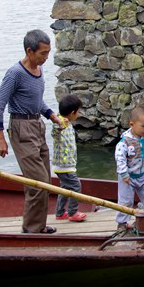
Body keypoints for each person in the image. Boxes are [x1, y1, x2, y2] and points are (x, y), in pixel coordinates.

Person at [0, 29, 66, 234]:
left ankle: (38, 225)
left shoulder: (39, 71)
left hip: (37, 126)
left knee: (45, 180)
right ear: (29, 51)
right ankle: (31, 230)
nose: (46, 57)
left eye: (49, 52)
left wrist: (52, 115)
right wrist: (0, 137)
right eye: (43, 53)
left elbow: (36, 100)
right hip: (21, 128)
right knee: (38, 182)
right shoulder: (15, 73)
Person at [52, 94, 86, 222]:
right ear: (72, 113)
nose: (79, 114)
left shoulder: (68, 123)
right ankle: (73, 212)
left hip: (66, 165)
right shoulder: (59, 124)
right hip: (63, 165)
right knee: (76, 186)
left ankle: (60, 213)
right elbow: (55, 132)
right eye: (78, 111)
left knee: (65, 188)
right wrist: (59, 124)